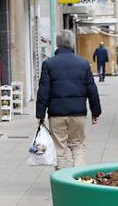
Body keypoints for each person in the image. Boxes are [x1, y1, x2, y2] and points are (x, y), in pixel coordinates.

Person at [36, 30, 101, 169]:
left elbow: (43, 91)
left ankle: (62, 182)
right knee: (78, 147)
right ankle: (78, 181)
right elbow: (92, 90)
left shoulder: (49, 64)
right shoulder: (83, 64)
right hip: (78, 114)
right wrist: (96, 112)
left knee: (59, 149)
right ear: (72, 44)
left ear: (58, 44)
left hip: (56, 114)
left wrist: (40, 115)